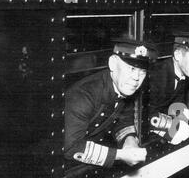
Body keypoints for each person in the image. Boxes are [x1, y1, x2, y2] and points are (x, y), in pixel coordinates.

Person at [65, 39, 156, 167]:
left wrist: (129, 142)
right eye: (131, 68)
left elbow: (123, 120)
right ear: (112, 63)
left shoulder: (123, 88)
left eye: (143, 71)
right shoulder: (84, 95)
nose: (136, 77)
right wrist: (119, 155)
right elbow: (70, 147)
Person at [142, 32, 189, 145]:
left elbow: (173, 102)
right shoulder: (158, 74)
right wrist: (172, 124)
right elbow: (145, 113)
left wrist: (180, 112)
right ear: (178, 55)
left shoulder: (183, 72)